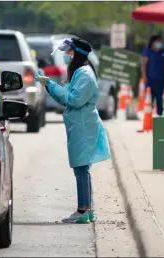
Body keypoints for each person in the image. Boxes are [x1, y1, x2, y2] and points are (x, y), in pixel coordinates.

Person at [36, 38, 111, 224]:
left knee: (81, 168)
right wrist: (50, 86)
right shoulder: (80, 72)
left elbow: (74, 99)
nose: (66, 55)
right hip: (80, 124)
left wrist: (50, 85)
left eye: (69, 52)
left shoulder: (84, 74)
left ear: (77, 54)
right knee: (81, 168)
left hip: (83, 126)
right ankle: (86, 209)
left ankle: (83, 210)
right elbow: (69, 96)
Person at [141, 34, 164, 116]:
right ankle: (148, 116)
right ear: (153, 42)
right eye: (158, 41)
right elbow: (143, 64)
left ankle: (159, 115)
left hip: (161, 80)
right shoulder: (148, 51)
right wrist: (144, 76)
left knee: (160, 99)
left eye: (160, 42)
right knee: (149, 99)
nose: (160, 43)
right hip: (150, 80)